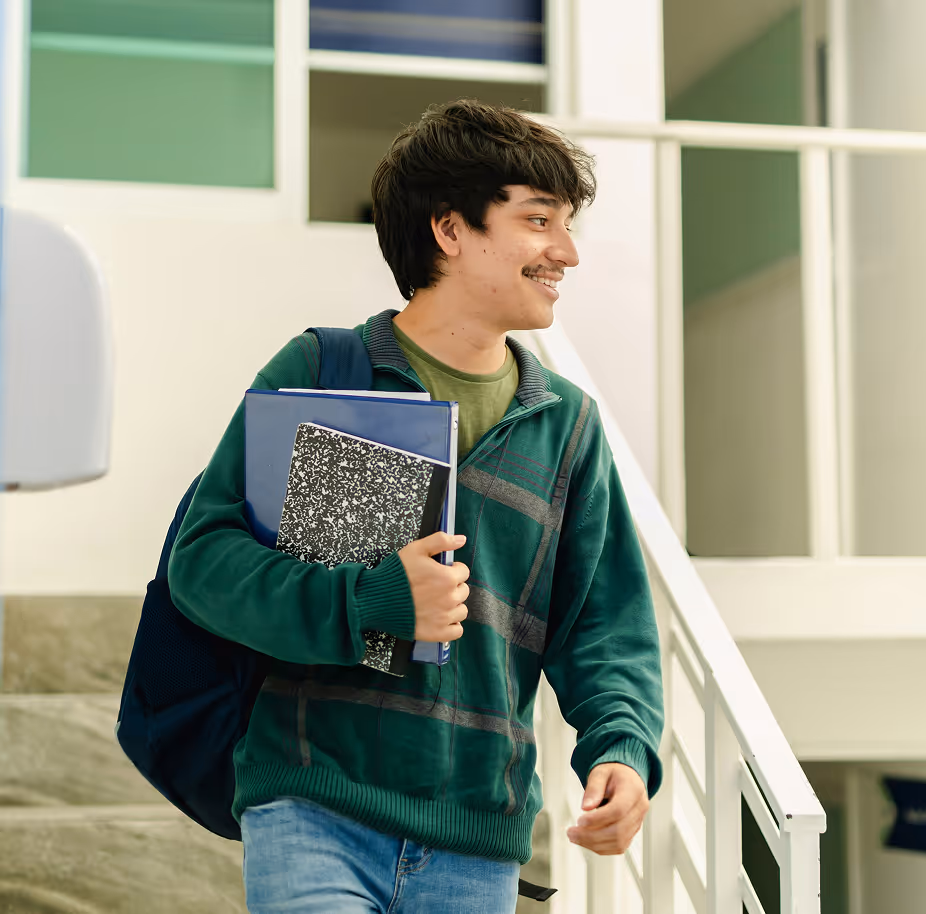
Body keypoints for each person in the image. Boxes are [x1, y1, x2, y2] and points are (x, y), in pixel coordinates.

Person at [168, 99, 664, 914]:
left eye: (567, 225)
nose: (566, 252)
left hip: (479, 831)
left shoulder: (567, 422)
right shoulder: (326, 371)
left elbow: (605, 625)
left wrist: (621, 747)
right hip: (313, 800)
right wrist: (371, 603)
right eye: (538, 219)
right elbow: (207, 563)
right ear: (449, 230)